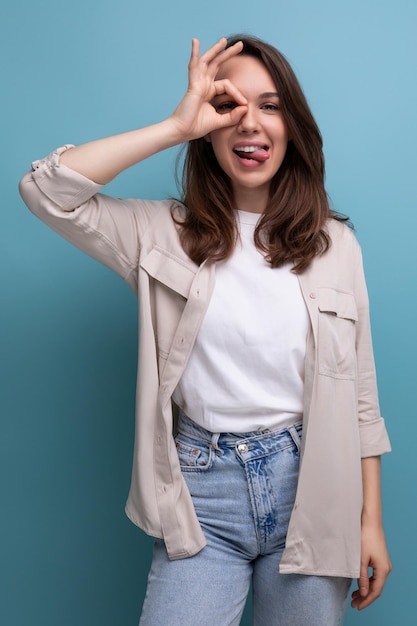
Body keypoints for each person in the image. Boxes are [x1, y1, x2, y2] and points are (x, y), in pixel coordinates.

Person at [19, 34, 392, 625]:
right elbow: (46, 191)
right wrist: (175, 125)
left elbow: (362, 401)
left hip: (315, 491)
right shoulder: (160, 232)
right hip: (201, 495)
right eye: (229, 106)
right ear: (208, 126)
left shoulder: (335, 245)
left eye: (270, 106)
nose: (250, 124)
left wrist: (371, 523)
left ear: (292, 125)